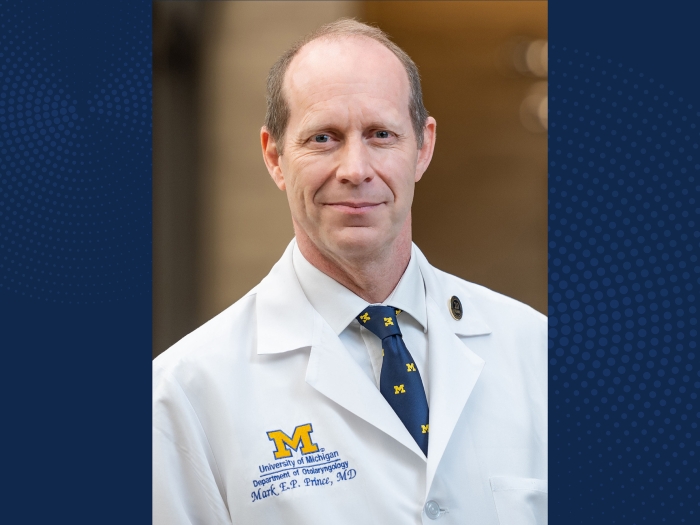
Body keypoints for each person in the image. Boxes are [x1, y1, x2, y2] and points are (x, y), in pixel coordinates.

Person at [153, 19, 547, 525]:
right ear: (274, 156)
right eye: (323, 138)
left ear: (422, 147)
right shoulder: (183, 396)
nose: (355, 169)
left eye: (381, 134)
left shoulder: (538, 352)